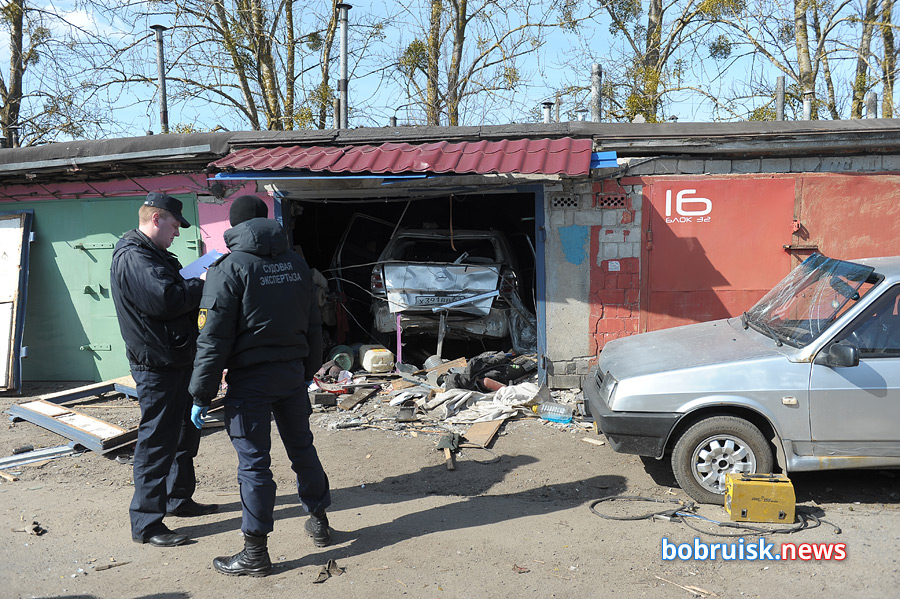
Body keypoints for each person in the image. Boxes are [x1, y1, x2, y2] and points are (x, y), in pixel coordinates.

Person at [188, 195, 330, 577]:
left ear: (233, 227)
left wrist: (201, 394)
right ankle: (319, 521)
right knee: (303, 449)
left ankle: (255, 553)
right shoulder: (296, 264)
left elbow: (212, 339)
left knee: (254, 464)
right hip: (291, 375)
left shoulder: (228, 268)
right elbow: (314, 324)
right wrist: (307, 372)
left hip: (250, 382)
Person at [110, 192, 218, 548]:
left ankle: (177, 498)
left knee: (184, 433)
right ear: (156, 219)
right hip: (157, 364)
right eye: (174, 225)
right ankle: (146, 523)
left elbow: (172, 291)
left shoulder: (153, 254)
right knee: (156, 442)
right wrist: (202, 285)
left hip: (176, 357)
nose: (177, 233)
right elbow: (165, 299)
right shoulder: (134, 256)